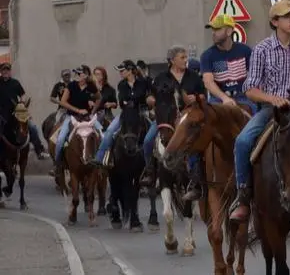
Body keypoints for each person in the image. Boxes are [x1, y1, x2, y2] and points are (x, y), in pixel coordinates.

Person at [229, 0, 290, 222]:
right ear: (275, 21)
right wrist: (272, 98)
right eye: (287, 17)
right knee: (243, 142)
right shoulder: (262, 49)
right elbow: (250, 89)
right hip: (272, 111)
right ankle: (244, 196)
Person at [181, 15, 255, 202]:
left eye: (218, 29)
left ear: (229, 31)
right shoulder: (208, 55)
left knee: (262, 127)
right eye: (212, 30)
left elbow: (253, 78)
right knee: (198, 130)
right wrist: (223, 98)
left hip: (245, 98)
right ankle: (196, 179)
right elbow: (208, 81)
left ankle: (262, 174)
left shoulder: (246, 51)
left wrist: (244, 96)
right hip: (217, 100)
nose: (214, 33)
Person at [141, 46, 204, 187]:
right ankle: (150, 172)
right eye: (182, 57)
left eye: (186, 57)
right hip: (165, 118)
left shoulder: (193, 76)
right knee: (148, 141)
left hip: (188, 118)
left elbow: (203, 94)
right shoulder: (161, 78)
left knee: (199, 141)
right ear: (172, 60)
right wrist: (151, 100)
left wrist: (196, 98)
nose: (185, 60)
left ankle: (197, 174)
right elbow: (150, 95)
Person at [92, 60, 155, 167]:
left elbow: (142, 96)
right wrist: (134, 100)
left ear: (130, 71)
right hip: (125, 113)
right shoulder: (122, 84)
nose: (120, 73)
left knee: (153, 133)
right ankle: (100, 157)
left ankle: (153, 163)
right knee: (110, 131)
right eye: (120, 71)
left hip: (142, 111)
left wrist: (133, 100)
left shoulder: (143, 82)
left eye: (122, 70)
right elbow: (122, 101)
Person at [54, 65, 102, 169]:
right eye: (76, 73)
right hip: (72, 116)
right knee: (60, 139)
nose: (77, 75)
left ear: (85, 75)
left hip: (87, 117)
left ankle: (101, 161)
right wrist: (78, 110)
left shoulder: (91, 86)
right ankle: (57, 165)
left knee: (102, 134)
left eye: (79, 73)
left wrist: (93, 111)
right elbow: (63, 102)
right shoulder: (71, 85)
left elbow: (99, 98)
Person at [0, 62, 49, 159]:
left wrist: (22, 102)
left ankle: (39, 150)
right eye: (3, 70)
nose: (6, 72)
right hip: (2, 113)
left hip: (17, 111)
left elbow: (23, 95)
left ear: (10, 71)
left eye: (7, 70)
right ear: (1, 71)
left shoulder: (15, 82)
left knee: (32, 127)